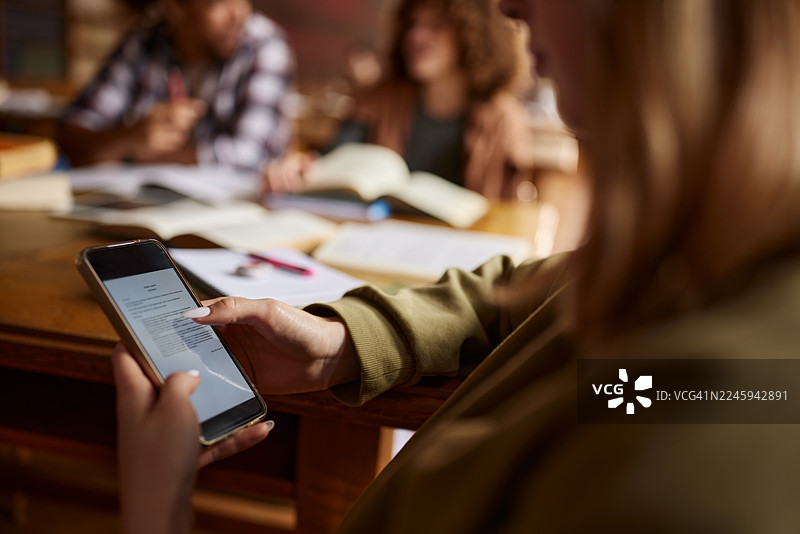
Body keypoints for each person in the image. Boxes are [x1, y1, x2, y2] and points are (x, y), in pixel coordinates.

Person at [112, 0, 800, 532]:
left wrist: (156, 512)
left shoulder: (703, 461)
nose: (507, 6)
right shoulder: (698, 284)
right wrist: (346, 342)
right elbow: (547, 317)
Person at [263, 0, 533, 199]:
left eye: (436, 25)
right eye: (413, 24)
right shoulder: (378, 100)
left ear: (473, 34)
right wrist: (298, 169)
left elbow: (508, 209)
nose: (416, 36)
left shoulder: (503, 118)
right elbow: (333, 158)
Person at [58, 0, 294, 172]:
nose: (240, 13)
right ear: (174, 7)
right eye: (219, 3)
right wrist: (130, 136)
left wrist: (132, 155)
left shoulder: (263, 43)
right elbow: (72, 133)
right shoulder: (144, 41)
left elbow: (251, 155)